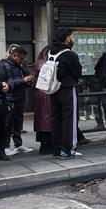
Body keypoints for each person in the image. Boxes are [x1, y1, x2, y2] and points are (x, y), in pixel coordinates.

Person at [50, 28, 83, 158]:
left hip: (54, 89)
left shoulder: (51, 52)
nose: (73, 39)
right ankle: (68, 149)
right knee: (70, 119)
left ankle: (57, 149)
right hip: (68, 89)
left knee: (56, 118)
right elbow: (78, 72)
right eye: (72, 37)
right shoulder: (69, 54)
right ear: (67, 38)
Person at [3, 45, 34, 154]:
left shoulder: (19, 65)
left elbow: (21, 81)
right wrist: (23, 80)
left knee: (18, 123)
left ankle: (18, 145)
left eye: (23, 59)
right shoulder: (6, 65)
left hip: (19, 97)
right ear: (14, 55)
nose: (22, 61)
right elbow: (9, 81)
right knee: (8, 123)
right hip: (10, 98)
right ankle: (5, 147)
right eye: (20, 58)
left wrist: (27, 82)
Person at [33, 47, 53, 155]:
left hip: (42, 94)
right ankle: (46, 146)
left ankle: (45, 145)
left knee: (43, 121)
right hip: (44, 94)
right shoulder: (43, 64)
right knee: (46, 121)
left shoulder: (39, 62)